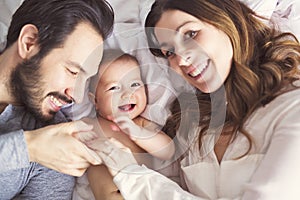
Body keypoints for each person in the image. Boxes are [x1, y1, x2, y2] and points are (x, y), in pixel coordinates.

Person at [84, 0, 300, 199]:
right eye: (169, 52)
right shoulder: (195, 127)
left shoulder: (292, 106)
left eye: (190, 34)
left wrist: (130, 176)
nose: (182, 59)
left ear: (226, 20)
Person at [0, 0, 114, 199]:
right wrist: (29, 148)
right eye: (73, 71)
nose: (76, 97)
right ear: (29, 43)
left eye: (86, 81)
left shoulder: (53, 140)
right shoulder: (41, 145)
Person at [84, 49, 175, 200]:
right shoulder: (89, 125)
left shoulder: (141, 124)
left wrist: (138, 133)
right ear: (95, 101)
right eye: (114, 88)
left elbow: (168, 150)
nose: (127, 94)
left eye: (135, 84)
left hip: (140, 193)